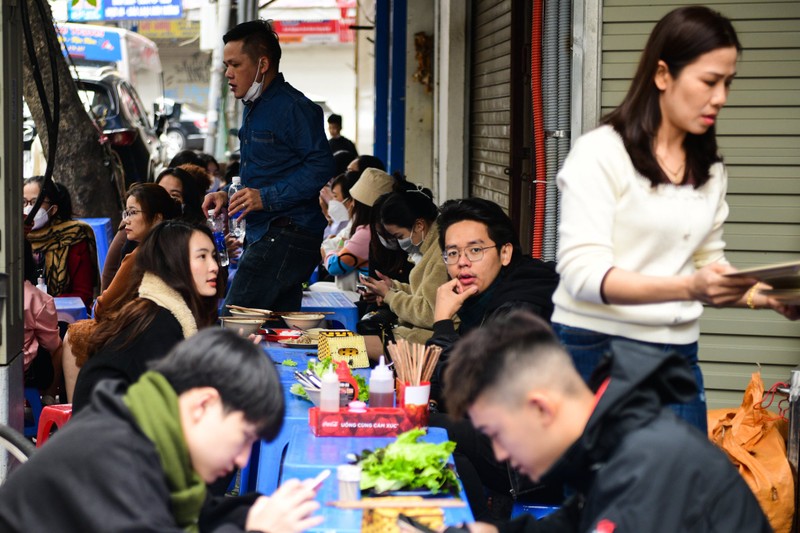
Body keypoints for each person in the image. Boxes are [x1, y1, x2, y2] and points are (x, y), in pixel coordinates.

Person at [550, 6, 793, 433]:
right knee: (606, 493)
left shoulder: (710, 170)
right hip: (596, 348)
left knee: (681, 493)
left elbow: (708, 267)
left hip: (677, 351)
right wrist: (687, 288)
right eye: (709, 81)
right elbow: (582, 276)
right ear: (663, 75)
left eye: (728, 83)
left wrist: (767, 296)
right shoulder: (600, 153)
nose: (721, 97)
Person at [444, 311, 771, 533]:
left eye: (497, 433)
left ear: (540, 408)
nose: (499, 453)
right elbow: (575, 521)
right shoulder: (613, 436)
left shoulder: (648, 465)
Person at [0, 328, 323, 532]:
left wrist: (257, 511)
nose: (242, 459)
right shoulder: (114, 458)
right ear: (203, 405)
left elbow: (198, 511)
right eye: (244, 438)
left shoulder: (142, 422)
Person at [424, 198, 559, 522]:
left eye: (475, 250)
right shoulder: (492, 298)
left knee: (422, 428)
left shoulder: (522, 306)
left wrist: (442, 325)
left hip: (537, 461)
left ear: (505, 252)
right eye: (452, 253)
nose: (462, 263)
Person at [204, 20, 335, 314]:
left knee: (232, 323)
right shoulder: (253, 107)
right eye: (226, 65)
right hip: (267, 233)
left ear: (262, 64)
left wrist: (266, 197)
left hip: (288, 234)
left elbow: (321, 164)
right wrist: (228, 194)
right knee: (274, 328)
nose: (228, 73)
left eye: (235, 64)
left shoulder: (294, 107)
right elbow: (262, 171)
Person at [72, 220, 223, 412]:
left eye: (214, 256)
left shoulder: (164, 313)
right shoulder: (157, 325)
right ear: (173, 263)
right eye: (202, 257)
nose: (214, 267)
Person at [64, 184, 183, 402]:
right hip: (166, 334)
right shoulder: (179, 248)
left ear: (157, 218)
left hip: (138, 335)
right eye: (126, 213)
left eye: (133, 213)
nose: (126, 220)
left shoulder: (139, 256)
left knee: (73, 335)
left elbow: (104, 307)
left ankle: (75, 412)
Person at [360, 182, 448, 356]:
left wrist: (390, 295)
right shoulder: (430, 250)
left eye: (399, 236)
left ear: (419, 225)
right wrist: (393, 287)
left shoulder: (440, 256)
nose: (399, 243)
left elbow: (430, 313)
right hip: (415, 336)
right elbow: (423, 294)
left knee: (341, 349)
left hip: (426, 343)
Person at [315, 168, 395, 301]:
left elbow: (335, 266)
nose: (351, 204)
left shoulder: (367, 233)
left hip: (363, 296)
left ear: (361, 205)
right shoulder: (377, 229)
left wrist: (327, 251)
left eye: (353, 200)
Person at [24, 176, 98, 309]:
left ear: (53, 209)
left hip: (63, 317)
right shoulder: (13, 239)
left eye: (36, 202)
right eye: (24, 202)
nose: (29, 208)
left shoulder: (73, 236)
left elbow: (83, 294)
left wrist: (45, 303)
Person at [22, 240, 62, 394]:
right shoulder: (36, 298)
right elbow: (51, 344)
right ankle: (49, 397)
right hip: (24, 372)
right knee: (61, 344)